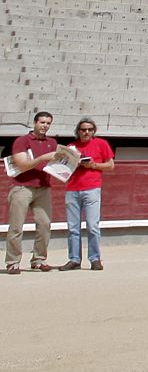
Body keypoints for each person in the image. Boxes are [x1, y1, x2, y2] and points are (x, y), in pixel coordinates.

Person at [7, 110, 67, 273]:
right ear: (35, 123)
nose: (45, 126)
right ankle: (13, 262)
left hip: (43, 187)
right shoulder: (22, 141)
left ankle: (39, 260)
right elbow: (22, 165)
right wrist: (42, 158)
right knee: (16, 226)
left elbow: (56, 165)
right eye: (42, 122)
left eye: (48, 123)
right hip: (22, 187)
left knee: (44, 224)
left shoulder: (52, 142)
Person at [62, 117, 115, 272]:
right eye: (83, 129)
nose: (86, 132)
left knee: (92, 226)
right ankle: (74, 259)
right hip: (72, 189)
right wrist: (75, 163)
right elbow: (63, 168)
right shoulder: (71, 147)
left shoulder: (101, 144)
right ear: (78, 131)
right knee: (73, 227)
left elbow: (110, 165)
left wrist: (93, 165)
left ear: (93, 131)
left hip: (92, 188)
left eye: (89, 130)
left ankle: (95, 259)